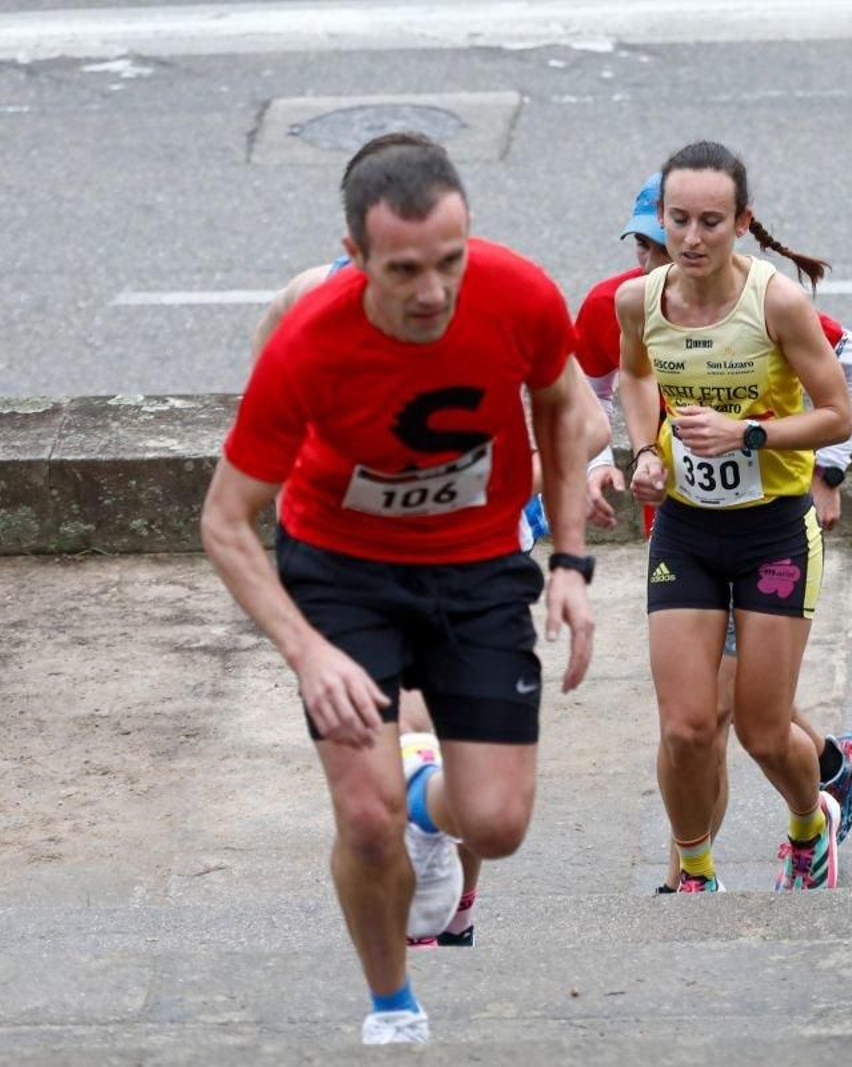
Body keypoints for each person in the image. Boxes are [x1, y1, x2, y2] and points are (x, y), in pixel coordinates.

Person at [201, 133, 606, 1044]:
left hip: (474, 566)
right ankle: (392, 1005)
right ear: (354, 256)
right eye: (405, 270)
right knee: (363, 814)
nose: (432, 292)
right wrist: (304, 652)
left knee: (496, 826)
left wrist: (570, 563)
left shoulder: (519, 294)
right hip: (343, 574)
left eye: (450, 262)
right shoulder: (308, 340)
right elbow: (225, 521)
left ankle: (428, 794)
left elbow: (565, 409)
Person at [577, 173, 852, 892]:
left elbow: (837, 408)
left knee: (762, 731)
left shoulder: (775, 300)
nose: (685, 240)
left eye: (707, 222)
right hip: (683, 532)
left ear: (741, 222)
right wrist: (642, 453)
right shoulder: (630, 301)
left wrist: (751, 436)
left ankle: (813, 823)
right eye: (671, 225)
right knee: (687, 726)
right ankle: (694, 873)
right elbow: (627, 376)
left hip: (772, 534)